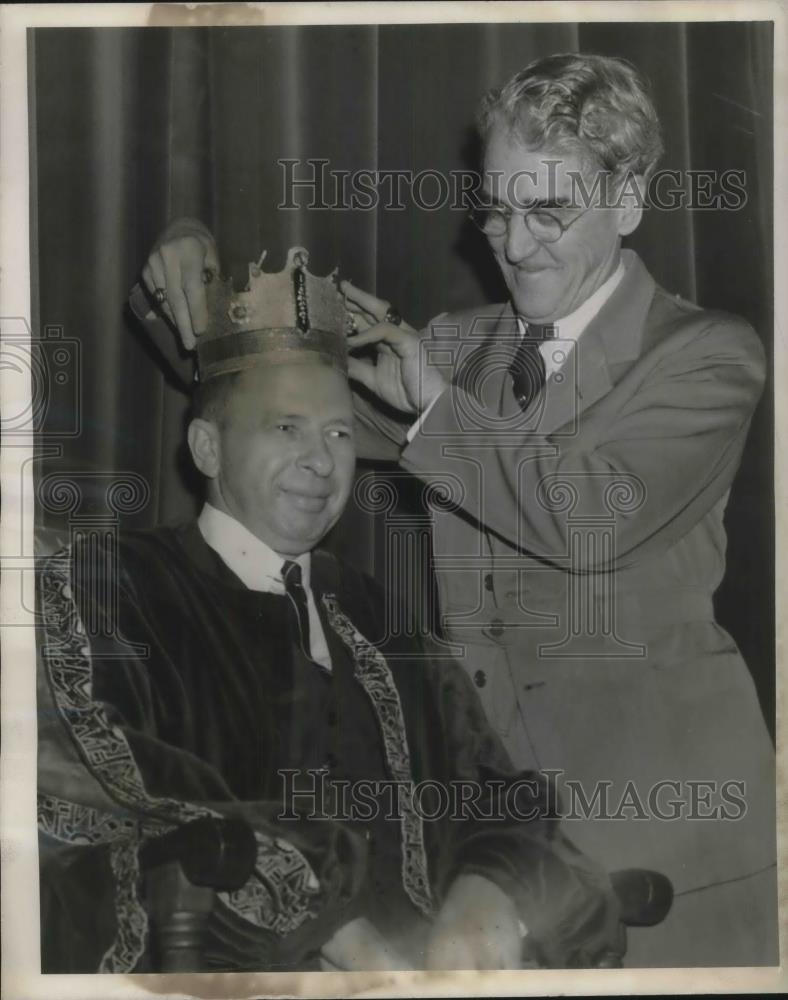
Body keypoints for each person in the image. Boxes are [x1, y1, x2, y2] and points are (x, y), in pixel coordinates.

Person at [131, 54, 777, 967]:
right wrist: (188, 273)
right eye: (497, 209)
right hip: (494, 854)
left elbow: (586, 518)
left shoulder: (707, 354)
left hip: (668, 842)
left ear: (629, 200)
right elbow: (265, 402)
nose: (513, 246)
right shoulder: (456, 347)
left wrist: (435, 407)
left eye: (550, 211)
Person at [37, 247, 623, 975]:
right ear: (206, 447)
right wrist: (332, 929)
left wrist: (488, 892)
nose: (322, 461)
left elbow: (498, 794)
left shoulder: (377, 615)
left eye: (341, 433)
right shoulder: (108, 587)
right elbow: (98, 785)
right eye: (286, 429)